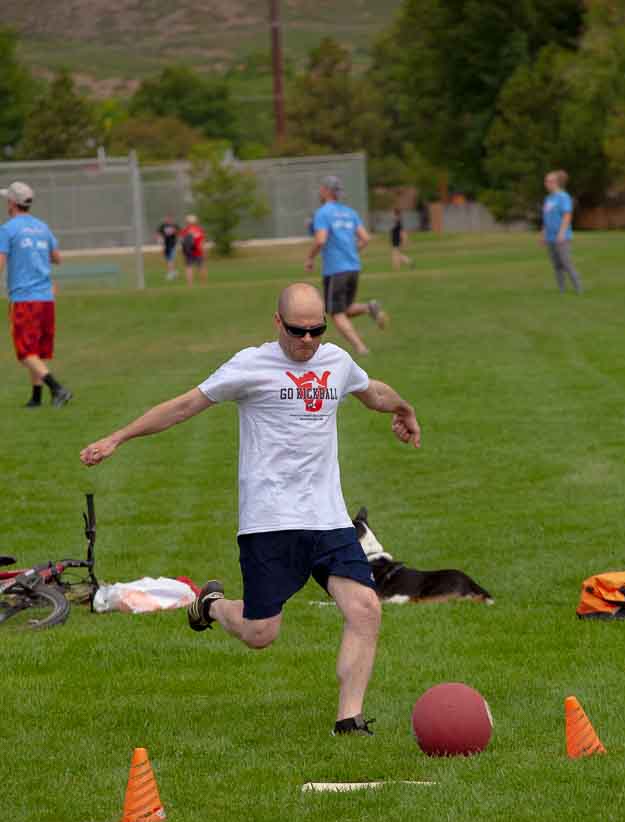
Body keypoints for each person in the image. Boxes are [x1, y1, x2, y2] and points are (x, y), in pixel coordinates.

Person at [80, 282, 421, 735]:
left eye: (316, 330)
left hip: (328, 518)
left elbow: (371, 391)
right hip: (270, 521)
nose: (307, 341)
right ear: (277, 322)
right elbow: (184, 406)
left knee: (365, 610)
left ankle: (349, 720)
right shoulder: (250, 366)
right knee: (261, 634)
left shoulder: (336, 362)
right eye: (297, 331)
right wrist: (117, 438)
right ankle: (212, 605)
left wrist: (403, 408)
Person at [0, 181, 72, 408]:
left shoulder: (8, 229)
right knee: (36, 350)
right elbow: (57, 258)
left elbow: (0, 262)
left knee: (25, 352)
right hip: (46, 298)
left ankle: (57, 388)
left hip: (24, 298)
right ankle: (36, 397)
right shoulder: (42, 227)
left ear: (12, 203)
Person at [306, 175, 386, 357]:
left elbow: (320, 240)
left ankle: (360, 348)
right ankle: (369, 307)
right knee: (345, 308)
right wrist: (350, 251)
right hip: (353, 267)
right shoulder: (350, 213)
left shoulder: (323, 213)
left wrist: (309, 258)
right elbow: (365, 238)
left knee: (335, 312)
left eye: (321, 188)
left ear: (326, 191)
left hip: (335, 269)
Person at [541, 170, 582, 293]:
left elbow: (567, 216)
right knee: (556, 265)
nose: (546, 184)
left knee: (566, 262)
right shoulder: (548, 198)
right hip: (550, 237)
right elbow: (546, 218)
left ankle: (578, 288)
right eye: (546, 181)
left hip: (562, 237)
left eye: (549, 181)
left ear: (556, 182)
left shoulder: (563, 197)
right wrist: (543, 234)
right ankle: (561, 290)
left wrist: (562, 233)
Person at [180, 214, 207, 287]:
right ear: (195, 222)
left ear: (187, 222)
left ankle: (190, 284)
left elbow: (182, 241)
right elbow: (202, 241)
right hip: (198, 251)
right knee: (201, 267)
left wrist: (183, 251)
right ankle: (203, 284)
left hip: (188, 251)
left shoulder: (185, 230)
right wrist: (203, 251)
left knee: (189, 267)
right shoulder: (199, 229)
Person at [156, 215, 180, 280]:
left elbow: (179, 232)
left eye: (170, 219)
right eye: (167, 219)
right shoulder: (163, 226)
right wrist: (159, 240)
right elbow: (158, 233)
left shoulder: (175, 225)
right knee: (168, 259)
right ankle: (173, 272)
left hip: (172, 245)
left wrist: (178, 240)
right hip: (165, 245)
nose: (168, 220)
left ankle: (170, 273)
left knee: (171, 259)